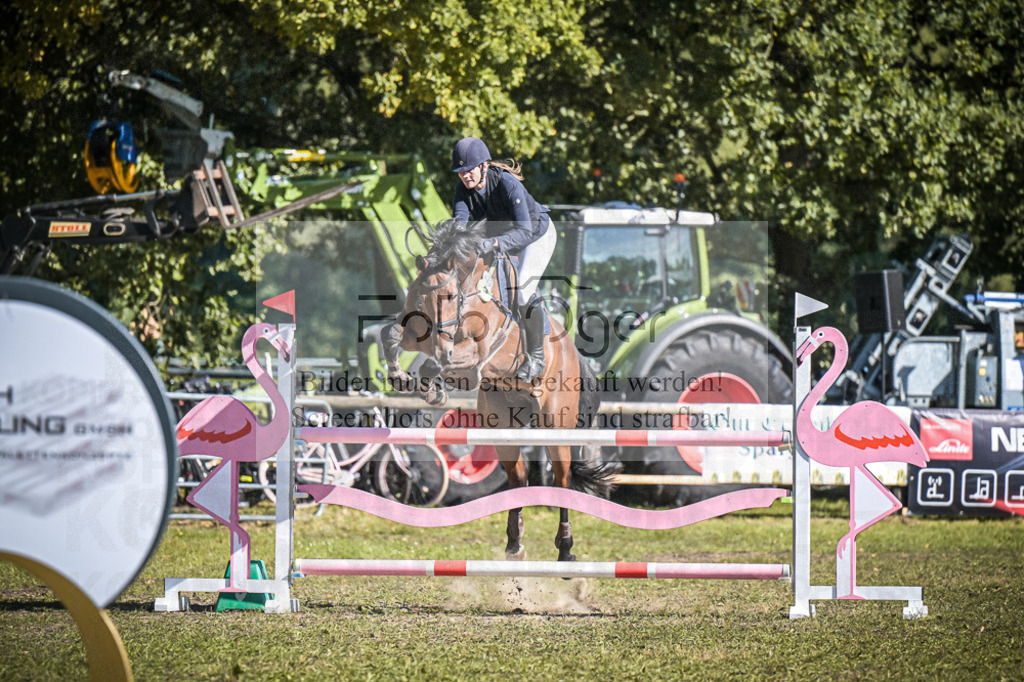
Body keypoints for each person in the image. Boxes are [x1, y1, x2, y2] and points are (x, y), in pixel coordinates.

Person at [450, 136, 555, 382]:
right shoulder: (462, 191)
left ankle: (537, 358)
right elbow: (460, 225)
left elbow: (524, 232)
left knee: (523, 292)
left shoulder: (507, 184)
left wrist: (494, 243)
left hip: (536, 235)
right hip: (504, 239)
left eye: (470, 170)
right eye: (461, 172)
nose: (465, 175)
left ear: (484, 166)